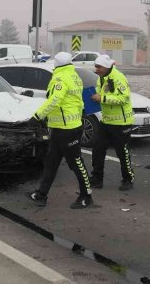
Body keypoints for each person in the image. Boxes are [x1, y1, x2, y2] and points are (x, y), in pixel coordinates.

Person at [29, 52, 94, 209]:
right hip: (62, 128)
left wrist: (37, 116)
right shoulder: (74, 76)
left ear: (56, 64)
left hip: (68, 130)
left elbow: (54, 100)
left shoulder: (60, 78)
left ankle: (86, 196)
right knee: (51, 163)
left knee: (77, 163)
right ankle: (41, 194)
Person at [90, 55, 135, 191]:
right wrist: (93, 98)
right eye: (96, 66)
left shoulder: (118, 78)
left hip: (121, 122)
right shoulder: (101, 78)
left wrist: (102, 98)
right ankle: (97, 178)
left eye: (99, 67)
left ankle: (128, 179)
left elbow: (124, 98)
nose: (96, 69)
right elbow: (101, 96)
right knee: (97, 149)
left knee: (122, 152)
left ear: (107, 67)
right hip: (106, 121)